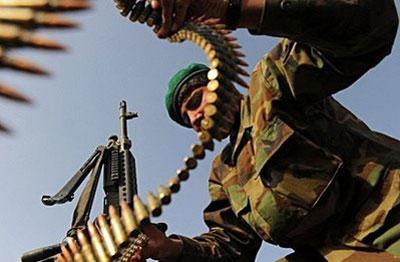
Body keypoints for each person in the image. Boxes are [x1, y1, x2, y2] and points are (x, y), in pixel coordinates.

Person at [130, 0, 399, 261]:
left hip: (388, 214)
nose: (194, 118)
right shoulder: (224, 173)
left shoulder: (271, 84)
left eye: (195, 101)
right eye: (187, 120)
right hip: (335, 251)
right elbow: (231, 247)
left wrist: (231, 9)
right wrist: (168, 247)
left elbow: (371, 22)